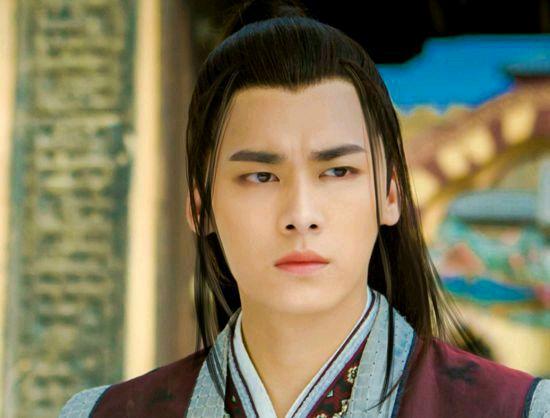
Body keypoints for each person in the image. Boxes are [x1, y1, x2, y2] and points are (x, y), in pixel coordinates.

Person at [59, 0, 550, 416]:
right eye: (261, 176)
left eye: (337, 172)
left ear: (391, 195)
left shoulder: (517, 409)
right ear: (200, 206)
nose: (301, 214)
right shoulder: (101, 413)